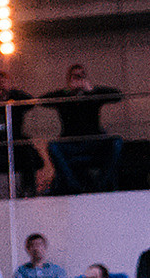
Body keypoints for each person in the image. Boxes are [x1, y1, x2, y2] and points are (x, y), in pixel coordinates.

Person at [41, 64, 123, 193]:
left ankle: (102, 184)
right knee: (53, 146)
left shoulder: (93, 95)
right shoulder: (64, 96)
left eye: (81, 76)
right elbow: (42, 100)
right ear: (69, 79)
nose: (78, 79)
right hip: (71, 142)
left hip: (94, 142)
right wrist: (67, 92)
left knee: (117, 141)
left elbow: (118, 95)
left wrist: (91, 91)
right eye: (75, 76)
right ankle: (74, 185)